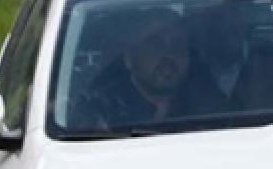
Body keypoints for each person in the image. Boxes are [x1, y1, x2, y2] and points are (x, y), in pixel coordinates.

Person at [71, 8, 224, 129]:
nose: (169, 54)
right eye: (156, 44)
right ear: (129, 57)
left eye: (178, 43)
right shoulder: (100, 108)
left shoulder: (208, 102)